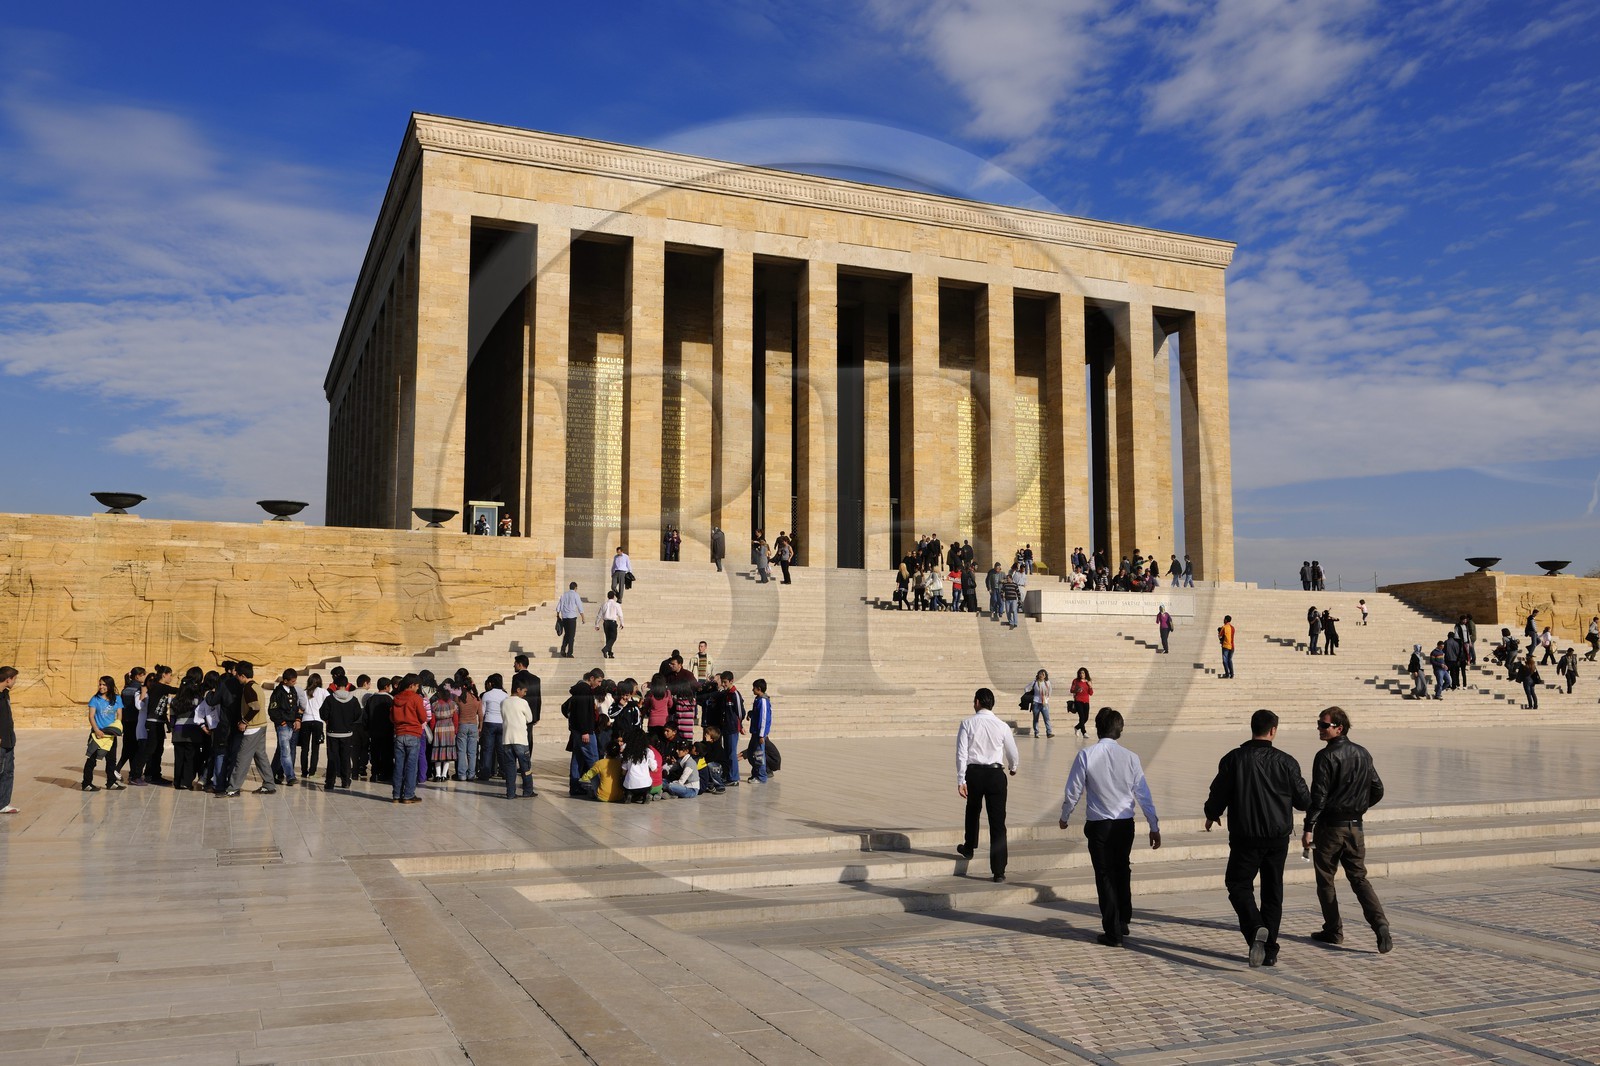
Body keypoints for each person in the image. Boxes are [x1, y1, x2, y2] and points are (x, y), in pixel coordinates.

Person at [1203, 709, 1311, 967]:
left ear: (1252, 728)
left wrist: (1211, 812)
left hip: (1245, 835)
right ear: (1273, 730)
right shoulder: (1287, 762)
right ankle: (1270, 950)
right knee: (1273, 892)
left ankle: (1255, 928)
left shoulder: (1233, 759)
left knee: (1238, 884)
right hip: (1277, 837)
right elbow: (1303, 800)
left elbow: (1219, 792)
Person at [1059, 708, 1161, 946]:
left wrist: (1065, 815)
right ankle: (1123, 919)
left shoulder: (1087, 755)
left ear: (1097, 728)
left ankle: (1113, 931)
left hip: (1100, 826)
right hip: (1125, 825)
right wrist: (1153, 825)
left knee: (1105, 875)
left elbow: (1073, 790)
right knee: (1122, 870)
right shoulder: (1131, 757)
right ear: (1120, 730)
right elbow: (1143, 795)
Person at [1303, 707, 1390, 953]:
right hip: (1355, 828)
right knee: (1359, 878)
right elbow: (1378, 789)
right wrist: (1358, 807)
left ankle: (1333, 930)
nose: (1319, 729)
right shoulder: (1363, 753)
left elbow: (1318, 797)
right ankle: (1380, 924)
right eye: (1318, 724)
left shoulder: (1326, 756)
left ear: (1339, 728)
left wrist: (1308, 828)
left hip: (1330, 827)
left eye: (1324, 725)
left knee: (1325, 879)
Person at [955, 688, 1019, 882]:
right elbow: (1012, 752)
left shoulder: (967, 723)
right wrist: (1013, 766)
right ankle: (998, 870)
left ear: (977, 702)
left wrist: (961, 779)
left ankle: (969, 846)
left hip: (974, 773)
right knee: (998, 822)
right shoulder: (1002, 725)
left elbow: (961, 754)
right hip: (995, 774)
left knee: (973, 810)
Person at [225, 662, 274, 796]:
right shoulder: (256, 686)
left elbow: (255, 707)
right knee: (260, 756)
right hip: (261, 725)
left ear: (242, 676)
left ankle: (233, 788)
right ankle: (269, 784)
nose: (236, 678)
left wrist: (244, 721)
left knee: (242, 758)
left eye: (237, 676)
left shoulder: (248, 688)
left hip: (253, 727)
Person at [389, 674, 427, 804]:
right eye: (417, 686)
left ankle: (396, 795)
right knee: (411, 766)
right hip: (413, 734)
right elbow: (423, 717)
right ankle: (408, 795)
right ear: (412, 685)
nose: (417, 688)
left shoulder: (396, 698)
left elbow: (392, 718)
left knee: (399, 765)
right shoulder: (416, 698)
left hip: (399, 734)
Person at [83, 675, 123, 792]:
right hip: (98, 733)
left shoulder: (117, 698)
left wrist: (116, 727)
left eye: (104, 684)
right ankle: (86, 783)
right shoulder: (95, 699)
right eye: (100, 684)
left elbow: (119, 715)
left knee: (111, 760)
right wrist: (96, 730)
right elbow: (91, 716)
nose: (101, 687)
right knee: (92, 759)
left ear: (110, 686)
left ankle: (111, 782)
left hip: (110, 734)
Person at [565, 670, 601, 796]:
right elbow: (582, 712)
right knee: (593, 759)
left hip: (578, 731)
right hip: (585, 731)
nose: (599, 684)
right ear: (591, 678)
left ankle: (574, 787)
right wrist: (585, 731)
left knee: (577, 758)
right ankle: (599, 788)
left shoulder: (578, 690)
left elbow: (565, 707)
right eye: (598, 681)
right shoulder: (584, 691)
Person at [500, 678, 536, 799]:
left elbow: (503, 716)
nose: (525, 694)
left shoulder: (503, 702)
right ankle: (528, 790)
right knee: (525, 767)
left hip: (507, 740)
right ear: (518, 690)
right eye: (524, 691)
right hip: (520, 739)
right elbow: (530, 718)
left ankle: (510, 793)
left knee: (510, 768)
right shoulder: (523, 703)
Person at [321, 681, 359, 791]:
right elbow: (357, 714)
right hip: (347, 733)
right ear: (347, 685)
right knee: (345, 758)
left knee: (332, 758)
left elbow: (323, 714)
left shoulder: (330, 699)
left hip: (332, 733)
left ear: (336, 686)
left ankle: (330, 782)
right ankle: (346, 781)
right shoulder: (353, 700)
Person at [746, 679, 773, 782]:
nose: (752, 690)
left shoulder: (763, 701)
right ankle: (755, 773)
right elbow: (757, 713)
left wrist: (762, 735)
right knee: (751, 753)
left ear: (759, 689)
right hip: (755, 732)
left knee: (759, 755)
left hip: (759, 734)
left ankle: (761, 776)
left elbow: (764, 719)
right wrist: (750, 714)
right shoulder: (758, 699)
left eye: (754, 688)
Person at [0, 666, 17, 814]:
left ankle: (3, 803)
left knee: (8, 771)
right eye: (14, 679)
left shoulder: (6, 694)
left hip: (9, 739)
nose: (15, 682)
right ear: (8, 679)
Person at [556, 581, 584, 658]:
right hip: (572, 618)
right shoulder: (576, 595)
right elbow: (579, 606)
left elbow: (558, 606)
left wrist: (558, 616)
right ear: (575, 588)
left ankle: (563, 649)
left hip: (564, 617)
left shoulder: (564, 595)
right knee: (571, 636)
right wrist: (583, 617)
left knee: (567, 634)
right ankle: (569, 652)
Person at [596, 590, 624, 659]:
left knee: (608, 638)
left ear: (607, 597)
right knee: (613, 638)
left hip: (606, 623)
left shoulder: (604, 604)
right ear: (613, 597)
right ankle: (605, 649)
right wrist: (622, 623)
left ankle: (610, 653)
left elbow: (599, 615)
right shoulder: (616, 605)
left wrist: (597, 624)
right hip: (612, 623)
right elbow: (620, 615)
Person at [1027, 669, 1053, 738]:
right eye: (1040, 674)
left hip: (1044, 703)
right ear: (1038, 675)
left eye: (1043, 674)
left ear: (1045, 676)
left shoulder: (1047, 683)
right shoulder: (1035, 682)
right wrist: (1029, 696)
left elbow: (1050, 691)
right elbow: (1026, 688)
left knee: (1047, 718)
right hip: (1036, 702)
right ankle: (1036, 732)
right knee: (1036, 719)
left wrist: (1047, 699)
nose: (1041, 675)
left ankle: (1049, 732)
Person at [1068, 668, 1093, 737]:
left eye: (1083, 673)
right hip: (1078, 700)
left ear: (1086, 674)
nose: (1082, 674)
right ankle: (1084, 732)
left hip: (1086, 701)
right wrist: (1077, 690)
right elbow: (1071, 690)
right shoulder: (1076, 681)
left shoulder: (1088, 681)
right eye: (1080, 673)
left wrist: (1090, 686)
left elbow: (1091, 693)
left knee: (1086, 718)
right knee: (1082, 717)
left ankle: (1077, 727)